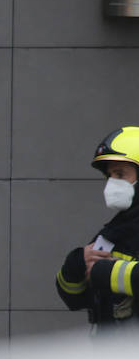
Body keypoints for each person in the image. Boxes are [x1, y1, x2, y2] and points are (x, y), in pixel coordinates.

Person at [57, 126, 139, 328]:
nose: (112, 183)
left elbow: (106, 274)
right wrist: (76, 264)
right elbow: (75, 300)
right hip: (114, 357)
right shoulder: (113, 232)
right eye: (110, 175)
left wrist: (111, 273)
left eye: (120, 174)